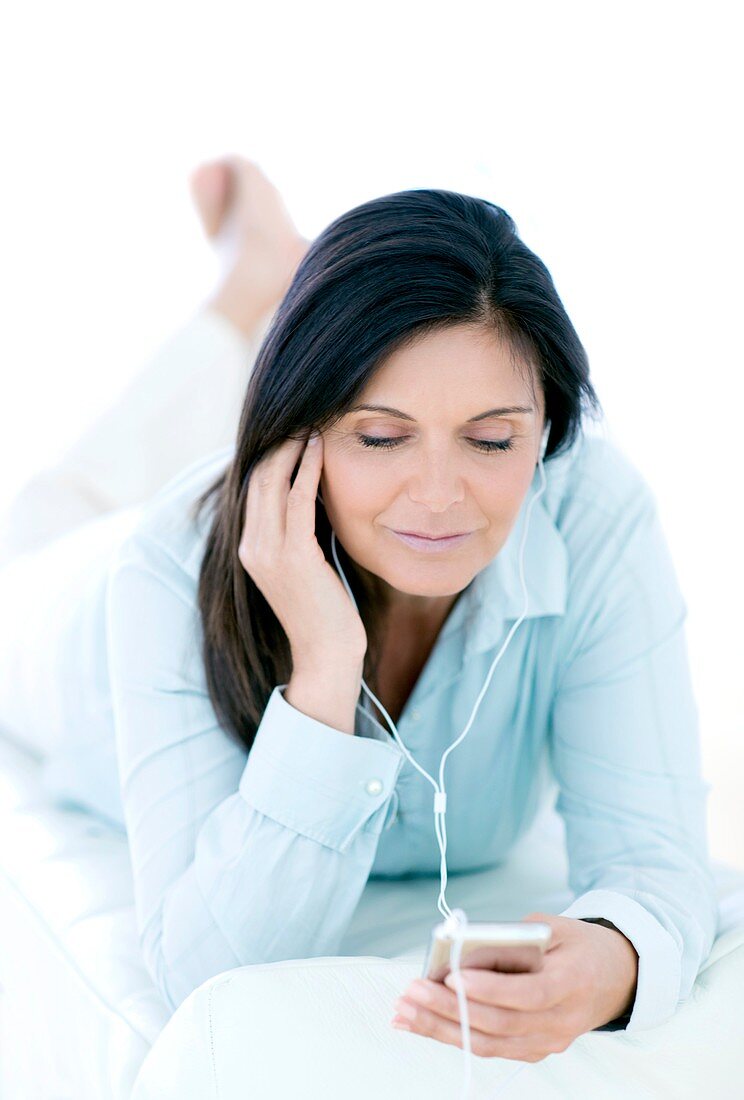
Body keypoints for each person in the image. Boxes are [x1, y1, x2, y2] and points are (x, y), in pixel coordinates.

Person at [0, 159, 720, 1067]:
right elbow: (204, 974)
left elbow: (659, 856)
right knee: (47, 520)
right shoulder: (161, 572)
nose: (440, 496)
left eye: (493, 439)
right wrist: (325, 668)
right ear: (299, 433)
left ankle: (268, 293)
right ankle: (244, 293)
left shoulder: (595, 514)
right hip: (57, 615)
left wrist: (616, 960)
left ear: (547, 427)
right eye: (381, 437)